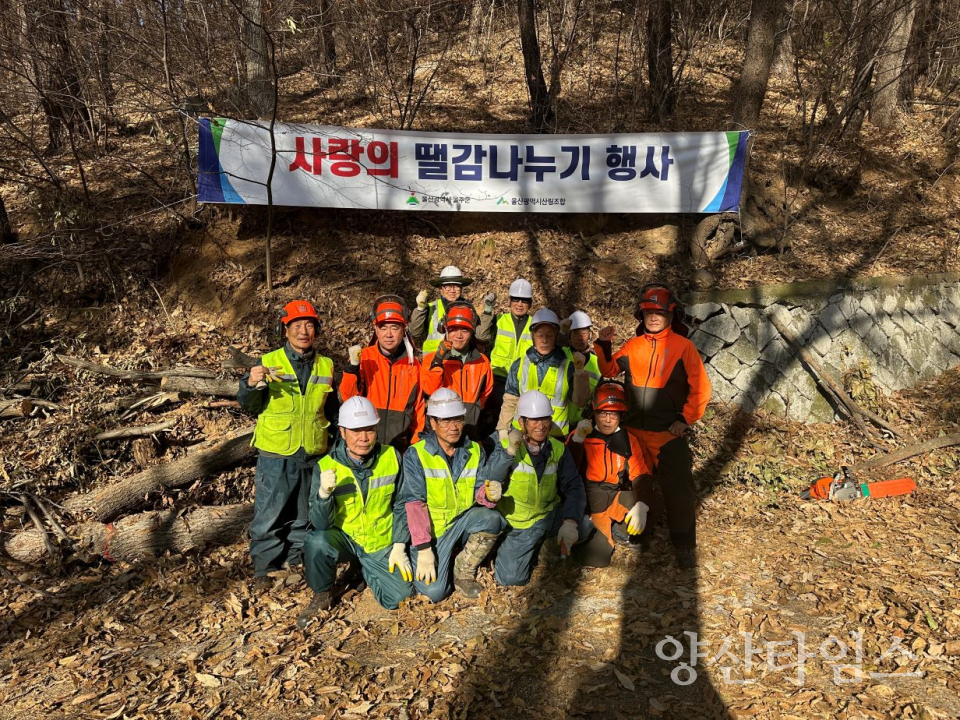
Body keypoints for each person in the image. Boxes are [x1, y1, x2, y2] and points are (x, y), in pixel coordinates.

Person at [594, 284, 711, 569]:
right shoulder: (633, 346)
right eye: (649, 312)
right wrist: (603, 346)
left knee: (678, 487)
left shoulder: (684, 348)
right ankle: (635, 533)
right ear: (641, 315)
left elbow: (701, 389)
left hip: (666, 432)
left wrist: (684, 419)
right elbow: (609, 370)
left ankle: (684, 544)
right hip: (634, 431)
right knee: (634, 484)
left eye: (659, 312)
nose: (654, 317)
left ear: (670, 314)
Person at [238, 300, 338, 589]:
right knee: (269, 513)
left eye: (309, 325)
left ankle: (294, 561)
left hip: (314, 450)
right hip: (277, 451)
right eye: (296, 326)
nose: (303, 331)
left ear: (316, 330)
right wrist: (250, 383)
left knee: (304, 515)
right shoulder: (268, 362)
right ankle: (264, 569)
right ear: (286, 330)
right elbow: (250, 405)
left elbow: (329, 409)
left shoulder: (327, 364)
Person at [298, 396, 413, 627]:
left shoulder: (391, 457)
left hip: (380, 541)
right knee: (316, 542)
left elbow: (402, 503)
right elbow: (320, 524)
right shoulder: (326, 466)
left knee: (400, 598)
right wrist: (323, 495)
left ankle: (363, 569)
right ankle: (323, 592)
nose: (363, 438)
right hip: (345, 538)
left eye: (369, 429)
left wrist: (400, 544)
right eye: (355, 430)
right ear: (342, 432)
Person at [400, 389, 506, 601]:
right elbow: (414, 502)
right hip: (434, 531)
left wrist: (489, 495)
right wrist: (423, 548)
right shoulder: (416, 454)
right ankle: (439, 557)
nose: (454, 427)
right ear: (432, 422)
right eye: (446, 421)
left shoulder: (474, 450)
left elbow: (478, 490)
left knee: (493, 519)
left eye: (457, 419)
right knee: (435, 592)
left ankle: (463, 572)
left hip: (463, 520)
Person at [480, 390, 586, 587]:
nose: (541, 425)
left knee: (584, 526)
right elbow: (489, 478)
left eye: (545, 419)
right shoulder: (506, 445)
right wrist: (509, 453)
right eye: (534, 420)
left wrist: (570, 521)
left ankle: (546, 546)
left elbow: (573, 486)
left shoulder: (557, 447)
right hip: (520, 523)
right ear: (522, 422)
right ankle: (522, 547)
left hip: (549, 515)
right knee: (511, 579)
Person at [565, 381, 653, 568]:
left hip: (614, 494)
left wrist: (643, 504)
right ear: (594, 413)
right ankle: (592, 529)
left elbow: (641, 475)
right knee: (598, 557)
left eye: (612, 414)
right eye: (602, 413)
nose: (607, 420)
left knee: (643, 502)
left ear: (621, 415)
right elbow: (568, 470)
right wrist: (577, 440)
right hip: (590, 499)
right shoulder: (582, 435)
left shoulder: (628, 440)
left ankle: (621, 532)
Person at [340, 295, 424, 452]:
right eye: (383, 328)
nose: (389, 334)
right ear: (376, 330)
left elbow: (419, 411)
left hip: (400, 448)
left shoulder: (414, 365)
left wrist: (416, 446)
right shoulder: (364, 358)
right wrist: (352, 369)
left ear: (403, 329)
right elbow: (349, 399)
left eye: (394, 327)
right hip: (366, 445)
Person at [495, 309, 591, 439]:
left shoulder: (568, 366)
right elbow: (510, 400)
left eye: (549, 335)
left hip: (555, 437)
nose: (544, 340)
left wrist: (579, 372)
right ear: (533, 336)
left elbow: (580, 401)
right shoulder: (520, 364)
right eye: (540, 335)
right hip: (523, 435)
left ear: (556, 337)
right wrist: (503, 429)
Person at [420, 301, 493, 440]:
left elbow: (486, 391)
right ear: (445, 329)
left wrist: (475, 407)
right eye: (453, 329)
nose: (458, 335)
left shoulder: (482, 360)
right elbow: (429, 390)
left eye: (464, 330)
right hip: (442, 429)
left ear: (472, 332)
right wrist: (438, 361)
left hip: (471, 426)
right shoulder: (431, 359)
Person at [476, 278, 533, 429]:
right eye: (516, 299)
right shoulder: (499, 320)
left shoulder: (535, 325)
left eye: (524, 300)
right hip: (497, 379)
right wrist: (487, 311)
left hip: (522, 384)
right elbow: (481, 336)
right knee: (490, 423)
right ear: (509, 301)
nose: (519, 304)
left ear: (530, 303)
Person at [410, 266, 472, 355]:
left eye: (456, 286)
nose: (452, 290)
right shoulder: (430, 308)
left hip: (460, 362)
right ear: (440, 288)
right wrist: (420, 309)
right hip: (432, 363)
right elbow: (415, 332)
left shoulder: (468, 309)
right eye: (447, 286)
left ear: (461, 288)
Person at [560, 310, 602, 424]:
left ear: (590, 335)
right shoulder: (560, 354)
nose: (580, 338)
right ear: (569, 335)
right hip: (558, 421)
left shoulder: (598, 363)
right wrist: (561, 332)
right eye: (575, 333)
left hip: (582, 424)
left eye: (583, 333)